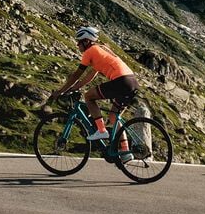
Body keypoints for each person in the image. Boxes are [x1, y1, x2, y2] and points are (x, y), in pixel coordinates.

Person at [47, 26, 139, 163]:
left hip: (121, 81)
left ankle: (101, 130)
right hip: (132, 82)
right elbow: (89, 77)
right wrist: (73, 89)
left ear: (86, 41)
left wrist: (61, 91)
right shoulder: (100, 49)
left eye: (79, 41)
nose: (77, 44)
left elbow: (76, 75)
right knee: (114, 117)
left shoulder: (89, 52)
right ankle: (125, 151)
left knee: (89, 97)